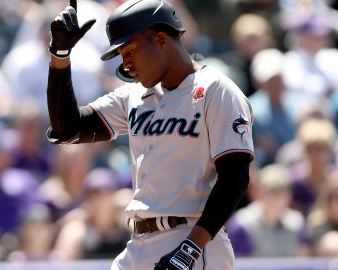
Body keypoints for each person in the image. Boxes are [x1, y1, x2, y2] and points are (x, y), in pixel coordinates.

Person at [45, 0, 254, 269]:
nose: (125, 63)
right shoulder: (134, 95)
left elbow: (235, 177)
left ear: (160, 39)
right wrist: (60, 55)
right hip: (138, 244)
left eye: (129, 50)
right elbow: (68, 129)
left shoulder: (215, 90)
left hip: (192, 237)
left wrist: (190, 248)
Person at [226, 164, 310, 257]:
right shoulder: (241, 223)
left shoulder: (297, 222)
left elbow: (302, 261)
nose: (275, 197)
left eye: (281, 190)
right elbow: (245, 264)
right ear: (257, 192)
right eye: (270, 190)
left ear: (289, 196)